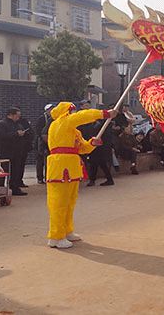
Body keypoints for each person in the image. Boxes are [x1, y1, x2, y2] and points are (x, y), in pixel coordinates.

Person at [46, 102, 117, 249]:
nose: (74, 113)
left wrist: (92, 143)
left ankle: (66, 230)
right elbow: (83, 116)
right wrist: (104, 114)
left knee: (70, 203)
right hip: (61, 167)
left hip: (71, 167)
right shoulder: (62, 122)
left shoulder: (73, 131)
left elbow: (83, 148)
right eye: (72, 111)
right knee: (59, 204)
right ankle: (56, 236)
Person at [0, 107, 28, 196]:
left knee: (16, 170)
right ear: (10, 115)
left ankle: (15, 187)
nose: (18, 117)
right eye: (17, 115)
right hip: (6, 152)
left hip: (17, 152)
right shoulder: (2, 124)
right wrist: (16, 134)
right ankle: (1, 189)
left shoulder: (17, 124)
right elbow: (1, 136)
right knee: (4, 171)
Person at [86, 118, 116, 186]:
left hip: (101, 148)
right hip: (95, 148)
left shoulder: (104, 128)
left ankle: (108, 179)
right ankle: (93, 180)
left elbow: (107, 138)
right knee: (95, 165)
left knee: (101, 165)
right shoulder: (94, 126)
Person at [36, 104, 54, 184]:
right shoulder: (42, 119)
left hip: (51, 142)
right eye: (50, 110)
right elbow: (39, 131)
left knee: (49, 161)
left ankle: (48, 176)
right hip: (42, 143)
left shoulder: (54, 119)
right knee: (40, 161)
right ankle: (40, 178)